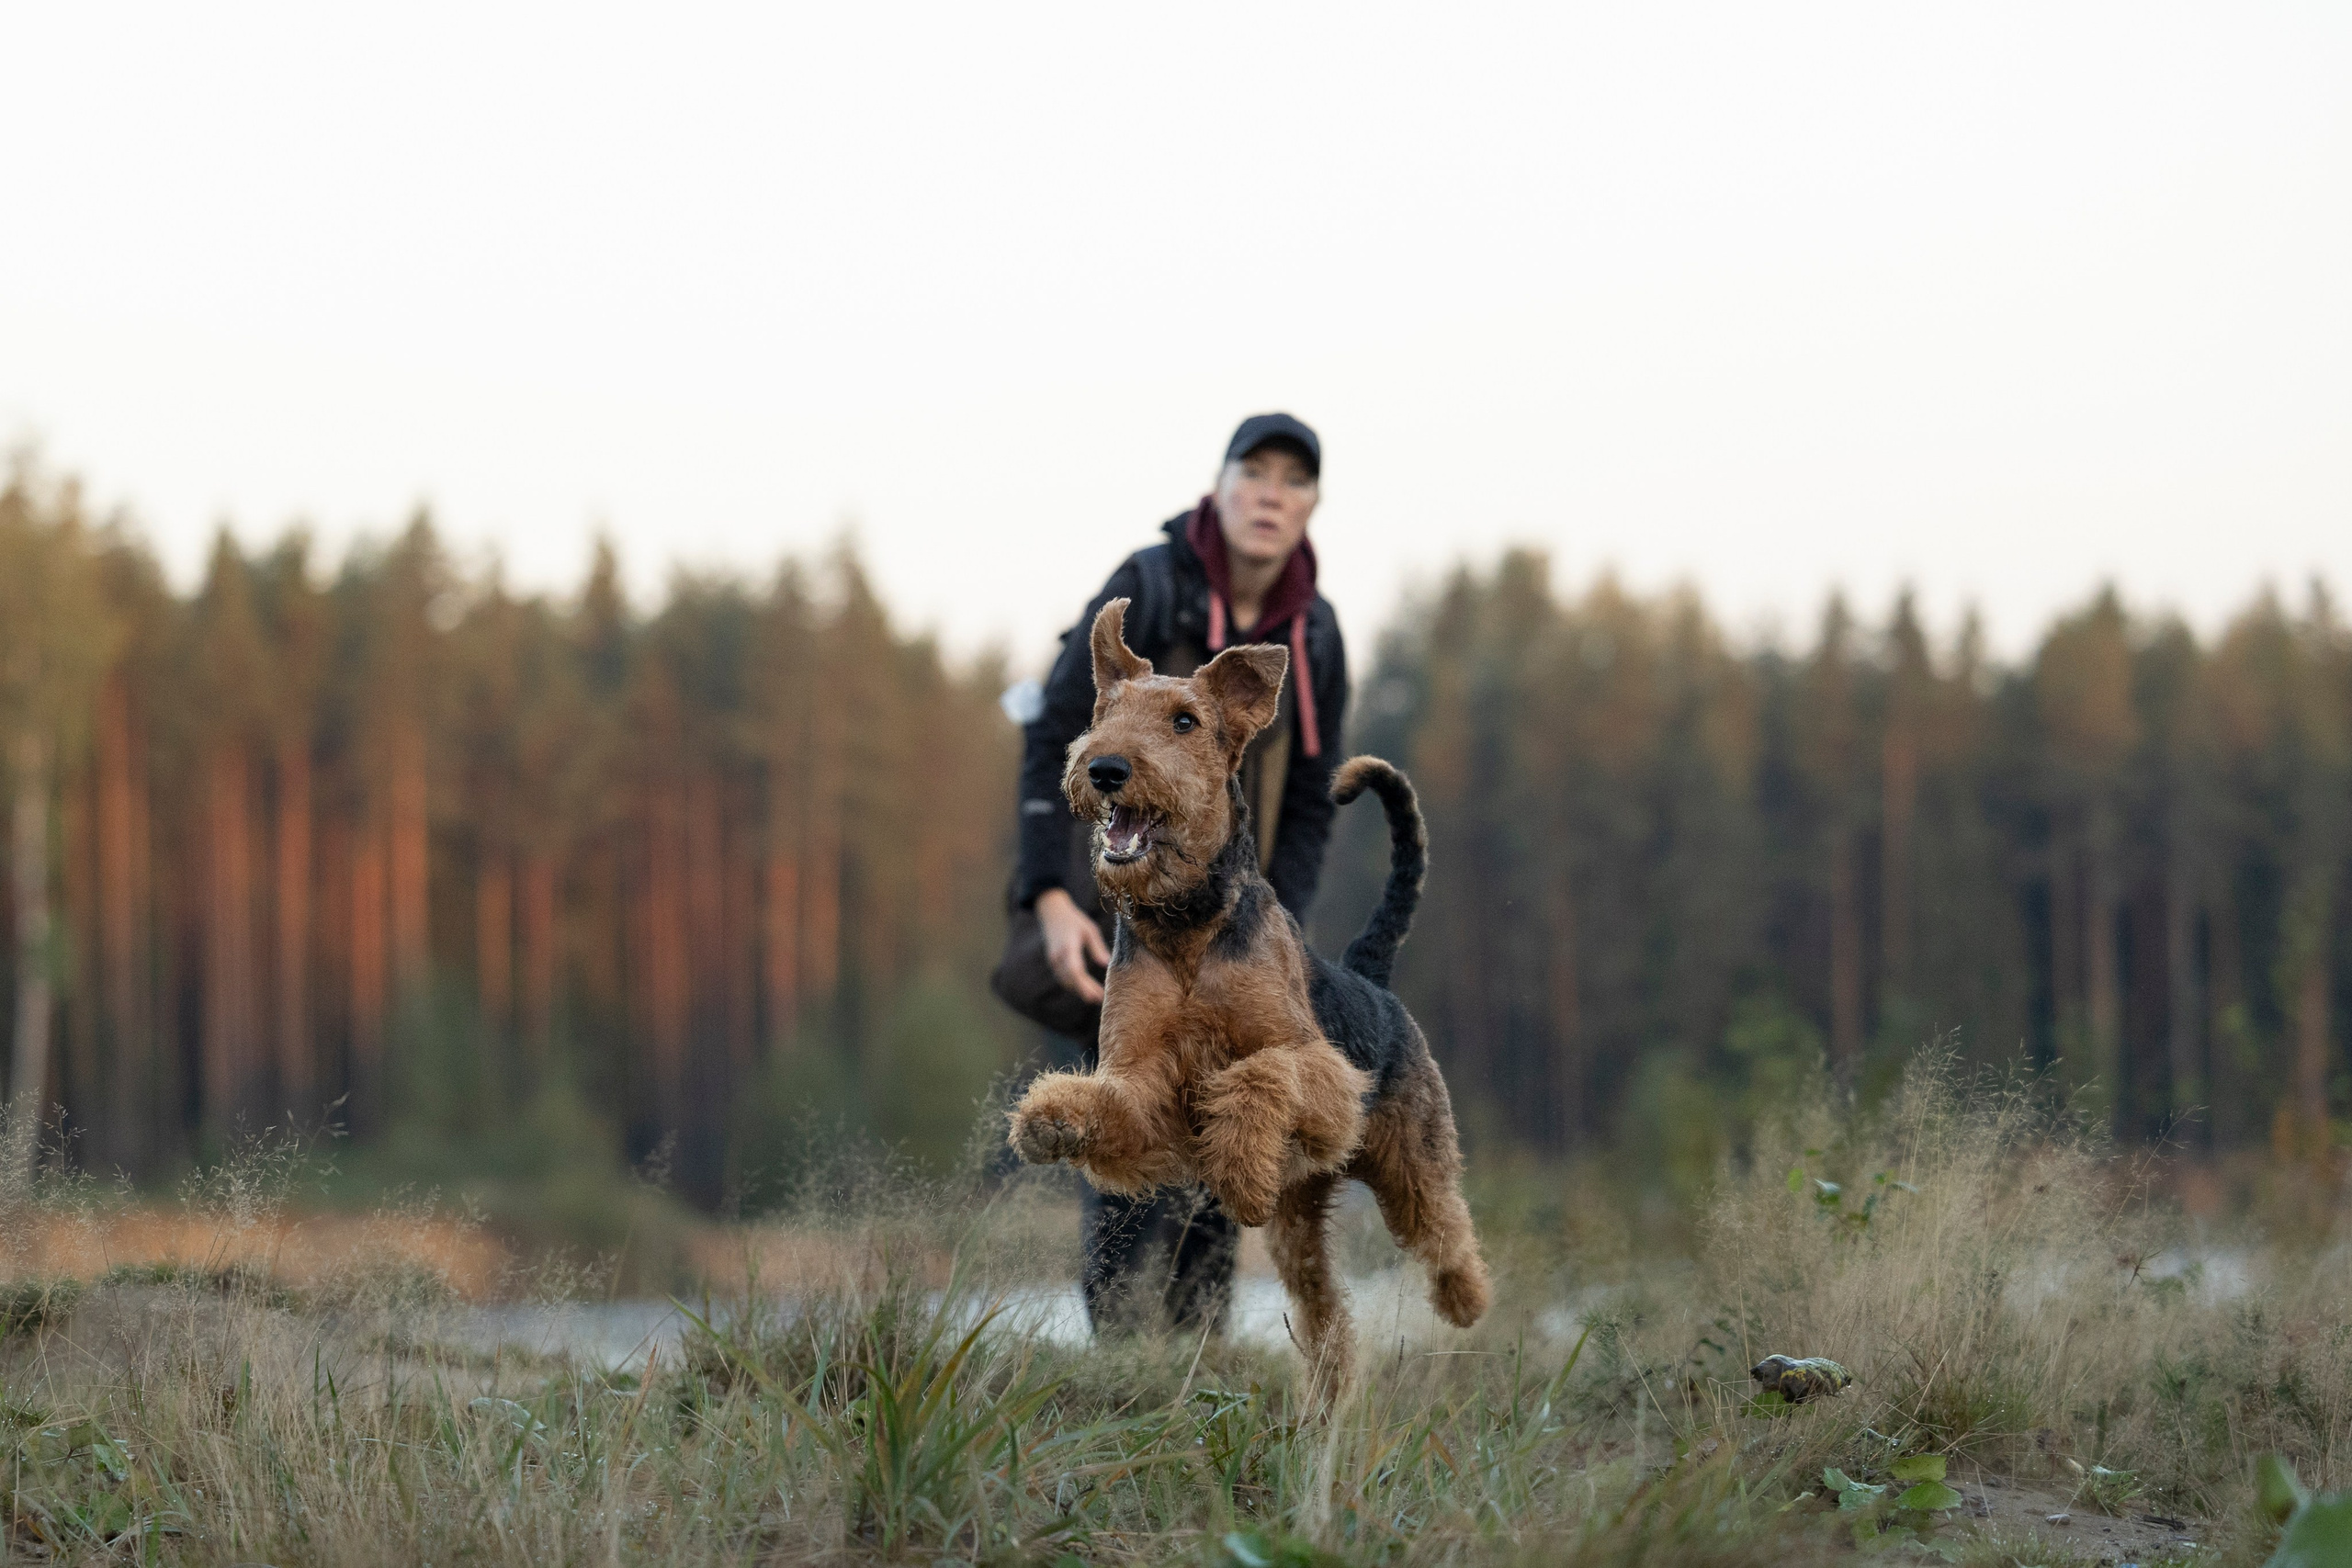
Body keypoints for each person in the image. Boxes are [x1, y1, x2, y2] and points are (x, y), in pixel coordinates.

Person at [1012, 412, 1348, 1335]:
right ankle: (1122, 1361)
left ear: (1310, 503)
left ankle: (1200, 1365)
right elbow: (1052, 729)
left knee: (1226, 1152)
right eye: (1255, 471)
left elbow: (1314, 797)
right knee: (1124, 1138)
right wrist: (1046, 896)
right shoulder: (1149, 582)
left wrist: (1281, 928)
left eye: (1294, 478)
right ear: (1222, 484)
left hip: (1240, 919)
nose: (1272, 492)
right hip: (1111, 912)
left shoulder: (1313, 635)